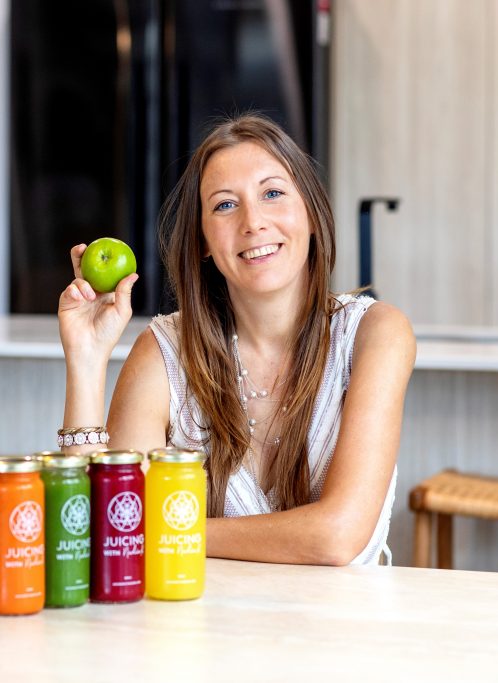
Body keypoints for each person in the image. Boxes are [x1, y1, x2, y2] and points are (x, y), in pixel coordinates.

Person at [57, 114, 415, 566]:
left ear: (310, 215)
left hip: (340, 631)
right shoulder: (165, 352)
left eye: (273, 193)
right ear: (203, 239)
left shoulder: (375, 334)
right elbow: (107, 531)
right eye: (226, 205)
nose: (253, 222)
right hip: (198, 627)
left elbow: (337, 536)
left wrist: (159, 527)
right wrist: (86, 360)